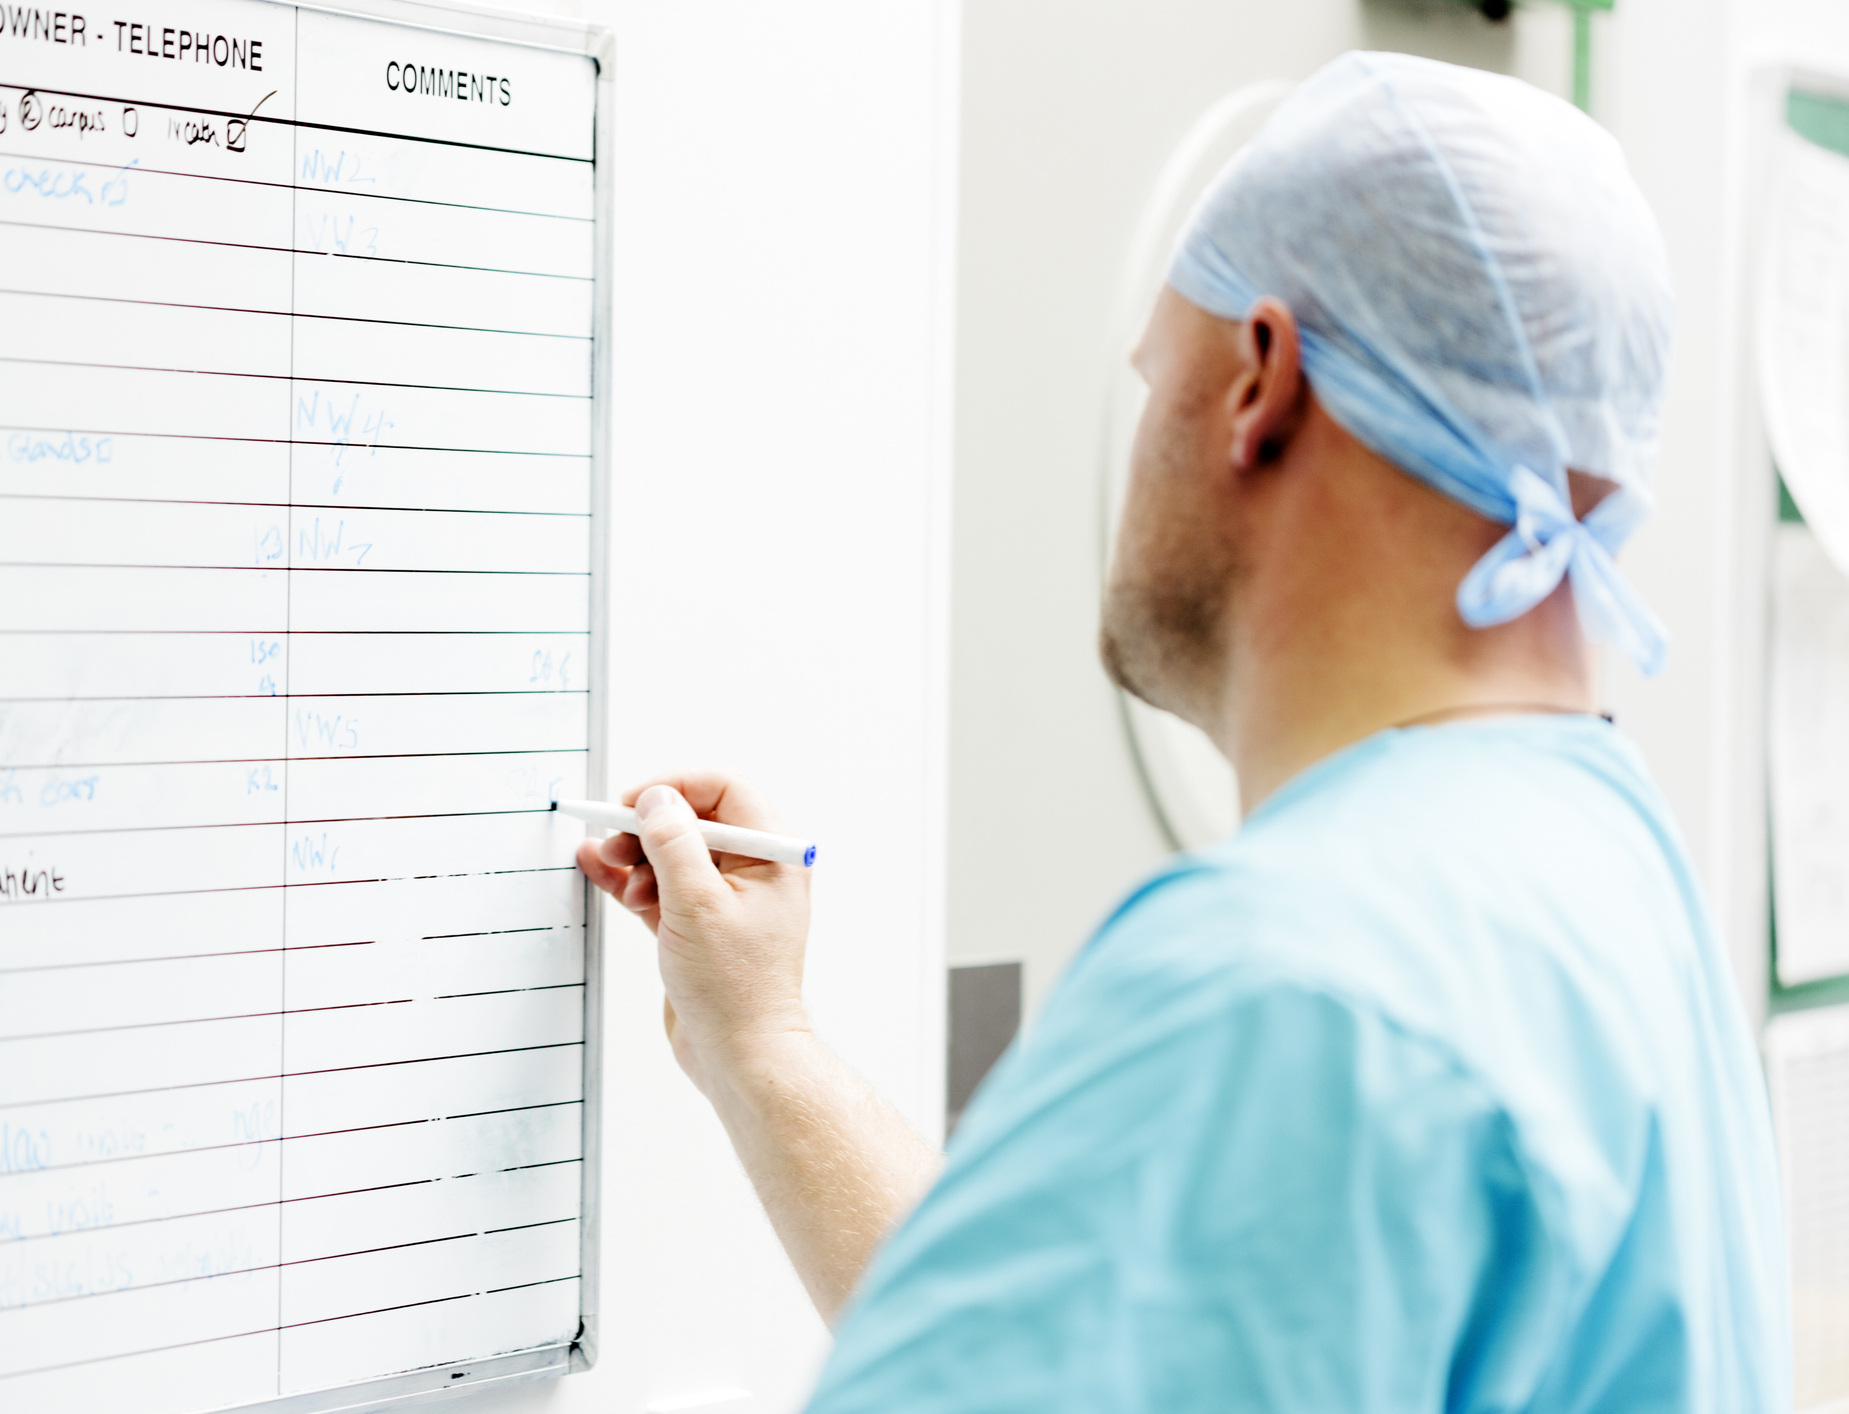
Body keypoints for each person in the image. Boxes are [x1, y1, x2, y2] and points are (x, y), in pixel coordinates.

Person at [578, 52, 1790, 1411]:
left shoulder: (1283, 983)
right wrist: (764, 1048)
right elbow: (1089, 1344)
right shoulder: (1598, 862)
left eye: (1156, 373)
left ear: (1259, 380)